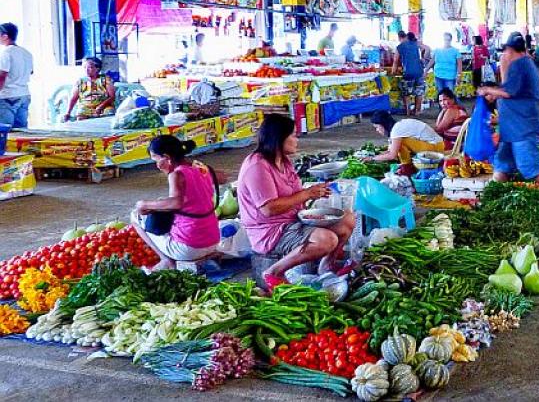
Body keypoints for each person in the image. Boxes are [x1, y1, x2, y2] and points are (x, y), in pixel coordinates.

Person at [237, 114, 356, 289]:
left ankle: (327, 265)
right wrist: (307, 194)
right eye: (293, 135)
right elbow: (269, 209)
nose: (296, 140)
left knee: (348, 219)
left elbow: (296, 194)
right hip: (271, 230)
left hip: (294, 221)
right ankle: (274, 272)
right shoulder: (257, 166)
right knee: (327, 240)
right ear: (279, 137)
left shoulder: (284, 162)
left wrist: (314, 193)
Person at [477, 33, 539, 212]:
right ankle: (489, 200)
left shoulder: (521, 65)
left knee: (531, 167)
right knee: (502, 165)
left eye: (506, 51)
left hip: (521, 127)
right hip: (512, 127)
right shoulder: (524, 64)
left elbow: (510, 92)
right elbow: (516, 91)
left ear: (511, 50)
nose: (505, 55)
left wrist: (488, 89)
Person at [132, 135, 221, 271]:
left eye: (156, 159)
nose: (156, 165)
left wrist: (143, 204)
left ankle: (166, 259)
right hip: (213, 240)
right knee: (164, 205)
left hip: (189, 249)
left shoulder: (176, 175)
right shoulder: (200, 168)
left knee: (135, 216)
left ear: (166, 157)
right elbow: (221, 177)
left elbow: (176, 202)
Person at [368, 110, 445, 171]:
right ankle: (407, 164)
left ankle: (406, 167)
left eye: (377, 127)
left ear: (383, 124)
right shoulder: (397, 126)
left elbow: (392, 155)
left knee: (400, 143)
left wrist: (372, 158)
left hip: (436, 149)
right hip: (437, 145)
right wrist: (377, 154)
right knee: (398, 144)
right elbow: (390, 150)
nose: (377, 130)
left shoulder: (396, 130)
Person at [0, 23, 33, 128]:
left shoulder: (6, 53)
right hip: (24, 94)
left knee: (6, 131)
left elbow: (2, 77)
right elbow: (31, 72)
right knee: (21, 132)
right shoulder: (27, 53)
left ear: (5, 36)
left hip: (8, 96)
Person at [64, 57, 116, 121]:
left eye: (89, 67)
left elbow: (112, 97)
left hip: (104, 106)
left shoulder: (105, 79)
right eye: (85, 67)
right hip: (85, 107)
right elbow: (73, 99)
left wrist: (101, 106)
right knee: (80, 119)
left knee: (109, 114)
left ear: (97, 68)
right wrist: (68, 113)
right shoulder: (80, 81)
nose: (86, 70)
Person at [392, 32, 427, 116]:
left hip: (407, 72)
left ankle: (408, 112)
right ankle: (417, 111)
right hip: (419, 72)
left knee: (406, 93)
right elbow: (425, 48)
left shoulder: (399, 47)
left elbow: (395, 61)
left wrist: (393, 72)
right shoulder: (416, 44)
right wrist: (422, 57)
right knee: (419, 92)